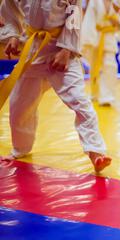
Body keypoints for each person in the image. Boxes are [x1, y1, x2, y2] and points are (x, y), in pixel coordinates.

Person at [0, 0, 113, 173]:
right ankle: (20, 148)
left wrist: (67, 49)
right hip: (34, 51)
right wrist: (13, 36)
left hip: (61, 51)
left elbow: (74, 14)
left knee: (79, 100)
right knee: (19, 106)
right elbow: (10, 10)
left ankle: (95, 151)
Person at [81, 0, 120, 106]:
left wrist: (118, 24)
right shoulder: (95, 2)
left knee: (110, 66)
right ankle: (95, 93)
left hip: (109, 37)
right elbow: (89, 20)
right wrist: (87, 41)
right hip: (96, 37)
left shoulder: (117, 2)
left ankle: (107, 96)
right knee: (95, 68)